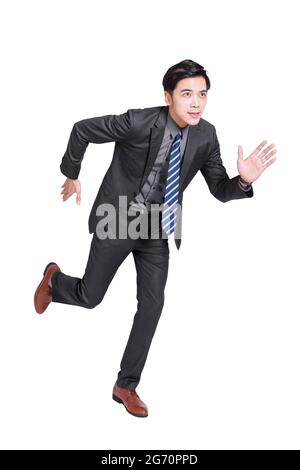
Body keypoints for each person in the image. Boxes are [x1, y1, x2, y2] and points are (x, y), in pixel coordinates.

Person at [34, 59, 277, 418]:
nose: (196, 102)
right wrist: (72, 173)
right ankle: (55, 281)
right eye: (187, 94)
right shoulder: (138, 121)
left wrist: (243, 181)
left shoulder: (206, 135)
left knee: (152, 305)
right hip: (116, 217)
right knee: (91, 297)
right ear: (168, 96)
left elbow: (219, 189)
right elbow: (82, 129)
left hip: (155, 228)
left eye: (202, 94)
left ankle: (125, 385)